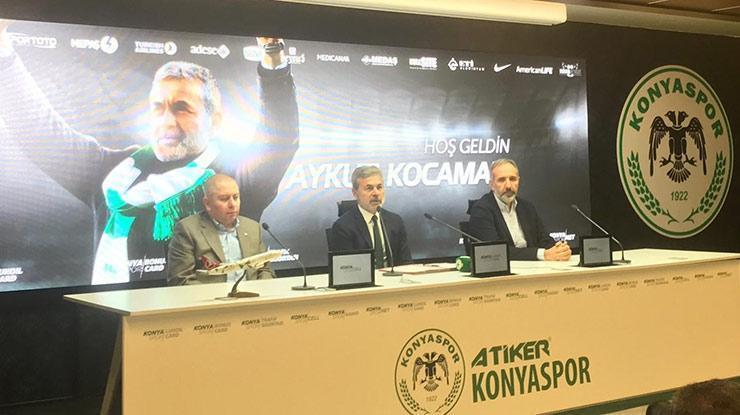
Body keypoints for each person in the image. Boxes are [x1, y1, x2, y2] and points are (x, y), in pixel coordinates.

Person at [0, 20, 299, 284]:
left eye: (181, 108)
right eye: (158, 107)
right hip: (117, 317)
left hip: (207, 319)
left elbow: (280, 140)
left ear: (215, 120)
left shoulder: (234, 179)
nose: (166, 121)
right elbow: (40, 131)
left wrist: (273, 56)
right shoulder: (118, 172)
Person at [167, 174, 275, 285]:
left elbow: (265, 269)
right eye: (224, 199)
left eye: (236, 197)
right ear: (207, 203)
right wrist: (218, 295)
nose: (232, 204)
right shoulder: (188, 229)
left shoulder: (252, 227)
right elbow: (181, 279)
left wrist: (260, 290)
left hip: (252, 294)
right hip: (210, 295)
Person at [468, 158, 571, 261]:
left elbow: (544, 239)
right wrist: (542, 254)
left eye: (513, 179)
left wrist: (559, 249)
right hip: (506, 269)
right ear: (491, 185)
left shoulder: (527, 207)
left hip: (534, 267)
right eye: (501, 180)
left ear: (518, 181)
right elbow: (495, 251)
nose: (508, 186)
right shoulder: (481, 210)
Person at [330, 166, 411, 267]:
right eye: (369, 188)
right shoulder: (343, 227)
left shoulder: (395, 221)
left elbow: (406, 262)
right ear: (355, 193)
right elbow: (346, 269)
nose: (376, 193)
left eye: (379, 187)